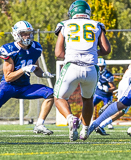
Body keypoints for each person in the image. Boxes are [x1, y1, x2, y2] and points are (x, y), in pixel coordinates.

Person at [54, 0, 111, 141]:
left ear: (72, 12)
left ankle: (70, 118)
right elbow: (106, 50)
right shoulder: (97, 24)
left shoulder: (64, 24)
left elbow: (58, 53)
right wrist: (91, 53)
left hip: (71, 67)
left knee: (59, 98)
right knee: (88, 99)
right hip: (91, 68)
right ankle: (85, 130)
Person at [89, 64, 131, 136]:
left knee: (122, 107)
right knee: (122, 107)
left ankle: (99, 124)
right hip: (127, 83)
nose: (101, 68)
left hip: (126, 82)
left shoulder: (107, 74)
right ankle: (99, 124)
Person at [79, 58, 116, 129]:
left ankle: (109, 123)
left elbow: (113, 87)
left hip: (106, 96)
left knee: (108, 110)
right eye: (99, 66)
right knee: (87, 106)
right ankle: (80, 121)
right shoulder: (93, 72)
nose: (101, 68)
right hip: (97, 94)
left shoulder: (107, 75)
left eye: (102, 66)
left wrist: (108, 89)